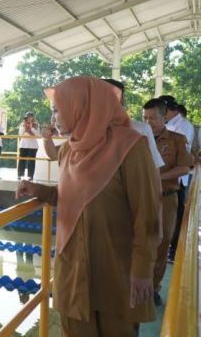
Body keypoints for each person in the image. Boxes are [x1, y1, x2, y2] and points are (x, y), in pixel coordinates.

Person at [17, 77, 160, 336]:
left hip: (115, 270)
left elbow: (147, 214)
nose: (55, 116)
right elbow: (73, 197)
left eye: (58, 109)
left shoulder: (130, 146)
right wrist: (39, 191)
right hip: (73, 269)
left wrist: (142, 270)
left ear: (81, 106)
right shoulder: (69, 151)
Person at [143, 98, 190, 306]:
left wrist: (157, 177)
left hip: (166, 199)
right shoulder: (137, 138)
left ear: (164, 117)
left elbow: (184, 168)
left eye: (152, 118)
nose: (148, 121)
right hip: (140, 199)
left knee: (161, 245)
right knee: (137, 241)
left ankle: (153, 288)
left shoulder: (177, 140)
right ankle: (136, 285)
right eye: (145, 118)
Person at [160, 95, 195, 261]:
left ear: (168, 110)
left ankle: (173, 249)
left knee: (177, 213)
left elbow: (182, 156)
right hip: (166, 177)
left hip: (177, 178)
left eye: (162, 112)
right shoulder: (170, 124)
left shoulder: (183, 126)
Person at [18, 112, 39, 181]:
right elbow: (20, 133)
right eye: (28, 117)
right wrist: (24, 128)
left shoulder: (36, 124)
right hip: (23, 145)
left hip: (33, 146)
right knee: (22, 160)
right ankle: (20, 175)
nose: (29, 118)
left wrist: (31, 129)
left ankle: (30, 176)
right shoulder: (22, 124)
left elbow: (38, 134)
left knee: (31, 162)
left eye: (31, 116)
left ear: (33, 117)